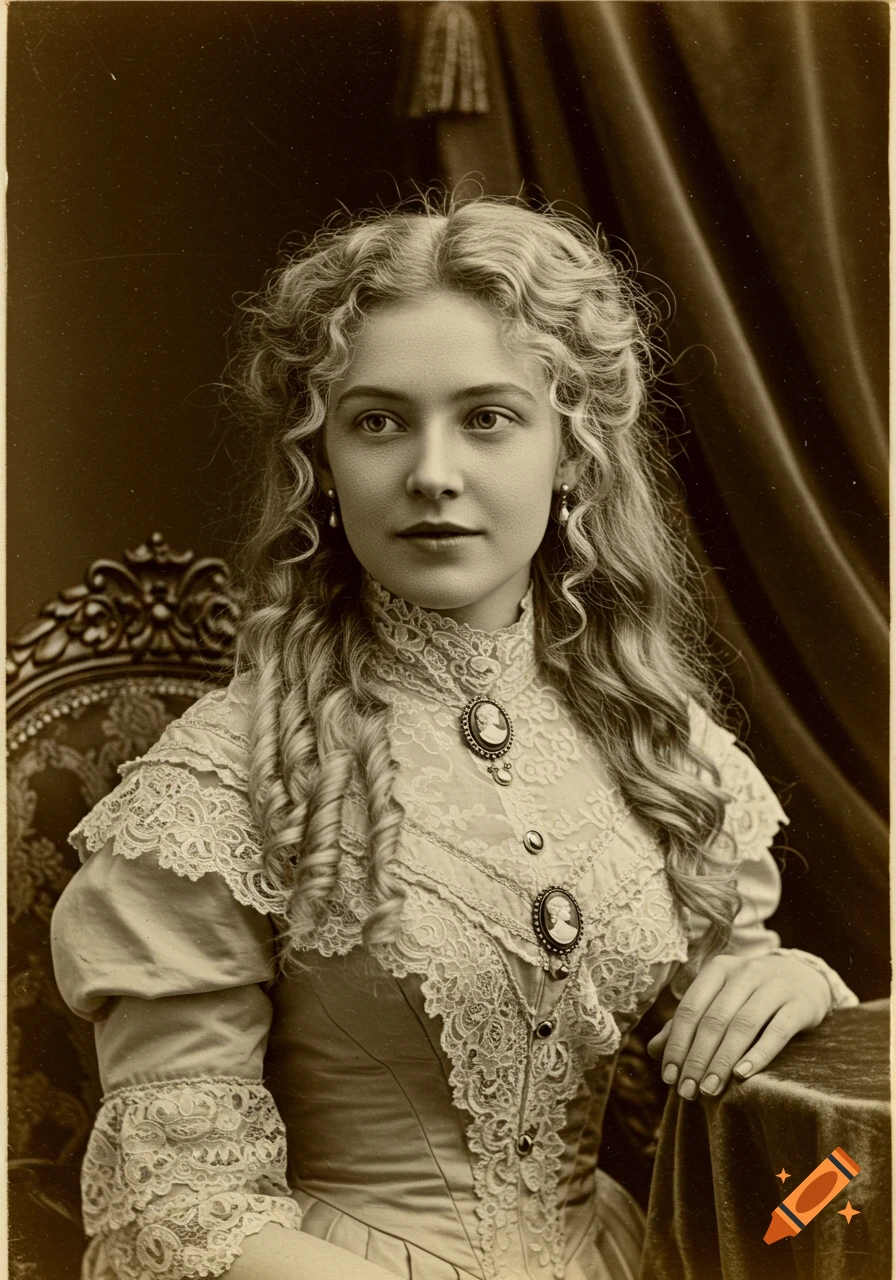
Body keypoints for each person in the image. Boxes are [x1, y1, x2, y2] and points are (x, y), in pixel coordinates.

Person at [51, 198, 856, 1280]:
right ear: (321, 463)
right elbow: (178, 1210)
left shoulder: (656, 743)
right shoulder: (218, 783)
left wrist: (796, 986)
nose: (432, 472)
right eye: (378, 420)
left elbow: (755, 1082)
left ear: (570, 451)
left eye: (487, 417)